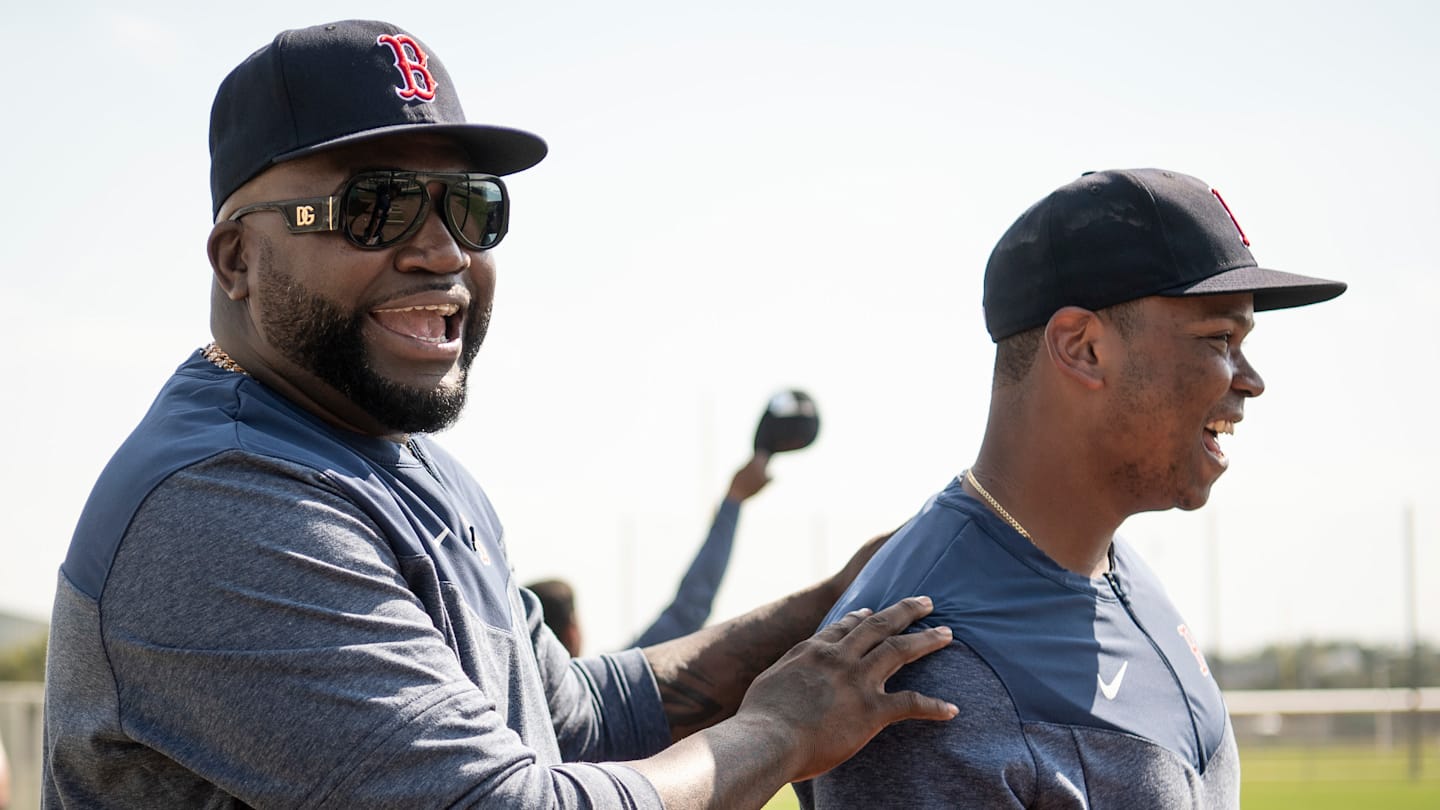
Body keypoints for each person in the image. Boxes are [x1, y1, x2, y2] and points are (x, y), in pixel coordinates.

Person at [41, 20, 958, 809]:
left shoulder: (412, 467)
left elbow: (580, 719)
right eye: (378, 206)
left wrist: (841, 597)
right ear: (237, 258)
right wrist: (780, 734)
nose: (441, 250)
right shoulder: (222, 503)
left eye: (469, 206)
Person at [796, 168, 1347, 808]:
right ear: (1083, 348)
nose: (1251, 380)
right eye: (1220, 338)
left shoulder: (1114, 566)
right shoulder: (932, 665)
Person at [530, 452, 773, 656]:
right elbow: (688, 609)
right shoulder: (596, 689)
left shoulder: (511, 697)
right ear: (572, 634)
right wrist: (733, 500)